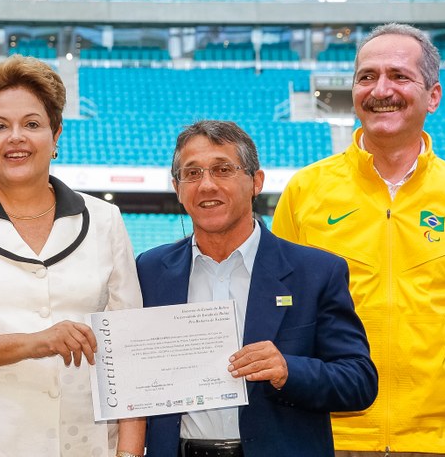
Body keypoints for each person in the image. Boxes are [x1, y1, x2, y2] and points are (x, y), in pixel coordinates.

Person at [0, 55, 145, 457]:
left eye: (32, 124)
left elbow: (130, 350)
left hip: (86, 442)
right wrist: (36, 342)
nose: (16, 137)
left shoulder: (105, 220)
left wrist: (128, 452)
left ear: (56, 134)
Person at [272, 23, 445, 456]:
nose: (380, 89)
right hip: (328, 434)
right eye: (367, 76)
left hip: (439, 440)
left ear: (433, 96)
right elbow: (282, 314)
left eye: (399, 76)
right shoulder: (305, 191)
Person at [138, 120, 377, 457]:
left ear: (256, 181)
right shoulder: (149, 270)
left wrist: (288, 370)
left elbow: (359, 381)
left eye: (223, 169)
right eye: (192, 173)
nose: (206, 185)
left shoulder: (316, 272)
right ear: (177, 188)